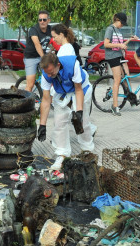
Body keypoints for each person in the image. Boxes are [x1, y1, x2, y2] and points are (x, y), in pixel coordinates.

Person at [37, 27, 95, 170]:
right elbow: (45, 100)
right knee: (59, 122)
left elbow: (78, 89)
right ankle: (62, 155)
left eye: (51, 72)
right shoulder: (46, 74)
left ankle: (87, 151)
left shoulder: (72, 64)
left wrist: (79, 111)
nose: (49, 76)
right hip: (62, 92)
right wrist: (42, 125)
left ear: (58, 65)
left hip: (81, 89)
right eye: (47, 74)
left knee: (82, 122)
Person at [104, 12, 139, 115]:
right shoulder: (110, 29)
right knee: (117, 79)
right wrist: (120, 45)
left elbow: (120, 44)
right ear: (117, 20)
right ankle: (115, 106)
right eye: (122, 23)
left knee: (127, 77)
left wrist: (130, 40)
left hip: (119, 55)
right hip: (112, 56)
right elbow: (106, 44)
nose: (122, 25)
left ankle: (131, 97)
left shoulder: (119, 31)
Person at [23, 10, 53, 93]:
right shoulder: (33, 30)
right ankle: (25, 104)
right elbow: (37, 45)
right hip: (30, 58)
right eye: (40, 20)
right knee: (30, 84)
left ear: (48, 20)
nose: (42, 22)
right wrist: (44, 58)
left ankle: (46, 100)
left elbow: (54, 42)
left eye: (44, 19)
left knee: (51, 78)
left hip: (42, 56)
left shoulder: (50, 30)